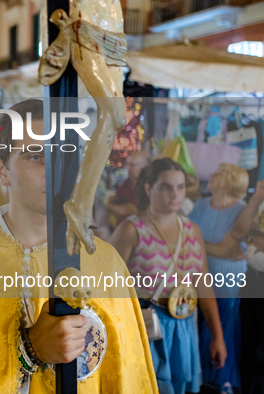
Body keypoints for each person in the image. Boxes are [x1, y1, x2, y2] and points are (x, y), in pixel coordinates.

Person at [0, 100, 158, 393]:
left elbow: (128, 377)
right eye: (36, 156)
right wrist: (28, 350)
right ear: (2, 170)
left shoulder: (106, 262)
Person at [109, 158, 226, 394]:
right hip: (145, 325)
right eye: (166, 187)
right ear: (148, 188)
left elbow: (203, 285)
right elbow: (107, 285)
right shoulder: (132, 230)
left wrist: (217, 336)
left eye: (180, 187)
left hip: (183, 326)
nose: (175, 194)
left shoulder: (192, 231)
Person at [187, 163, 248, 394]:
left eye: (219, 173)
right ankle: (203, 375)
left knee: (223, 324)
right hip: (199, 274)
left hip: (225, 277)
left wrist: (200, 247)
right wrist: (217, 249)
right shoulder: (200, 205)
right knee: (202, 323)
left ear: (232, 180)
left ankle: (223, 379)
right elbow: (219, 248)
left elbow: (226, 250)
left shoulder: (241, 210)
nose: (210, 174)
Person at [106, 151, 149, 227]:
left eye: (132, 165)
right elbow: (115, 198)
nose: (127, 168)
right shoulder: (128, 182)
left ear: (145, 166)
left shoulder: (147, 187)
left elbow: (127, 210)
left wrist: (109, 206)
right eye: (127, 164)